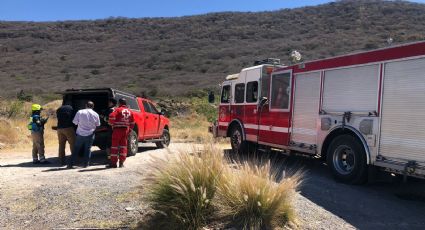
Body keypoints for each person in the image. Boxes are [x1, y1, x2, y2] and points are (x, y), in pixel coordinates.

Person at [67, 101, 100, 168]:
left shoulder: (80, 112)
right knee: (88, 149)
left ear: (86, 105)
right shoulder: (96, 114)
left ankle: (71, 164)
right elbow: (98, 125)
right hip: (90, 134)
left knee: (76, 149)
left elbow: (75, 122)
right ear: (93, 106)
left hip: (80, 134)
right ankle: (86, 164)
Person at [108, 98, 135, 168]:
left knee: (114, 146)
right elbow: (132, 122)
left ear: (119, 103)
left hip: (117, 130)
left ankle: (113, 164)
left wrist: (111, 123)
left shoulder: (117, 109)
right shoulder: (130, 111)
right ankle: (121, 163)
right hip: (126, 130)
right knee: (123, 146)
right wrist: (129, 130)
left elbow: (111, 116)